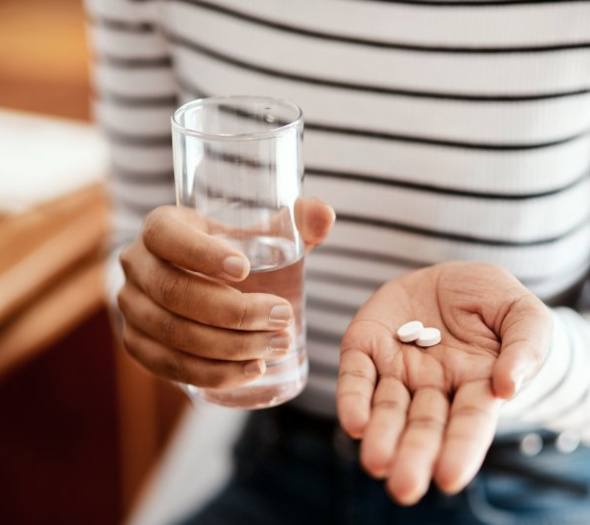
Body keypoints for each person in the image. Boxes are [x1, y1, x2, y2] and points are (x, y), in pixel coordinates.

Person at [86, 0, 590, 523]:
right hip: (275, 456)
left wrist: (537, 360)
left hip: (522, 476)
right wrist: (160, 312)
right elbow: (136, 241)